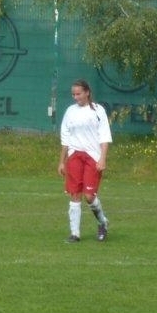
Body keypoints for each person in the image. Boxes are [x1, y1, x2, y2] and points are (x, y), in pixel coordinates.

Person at [57, 79, 112, 243]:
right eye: (73, 94)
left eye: (78, 93)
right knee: (75, 194)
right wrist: (62, 161)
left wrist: (102, 158)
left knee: (89, 196)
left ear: (87, 92)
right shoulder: (70, 111)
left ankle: (102, 222)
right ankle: (75, 233)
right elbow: (65, 138)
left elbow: (104, 137)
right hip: (74, 156)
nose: (75, 97)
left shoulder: (98, 111)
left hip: (92, 157)